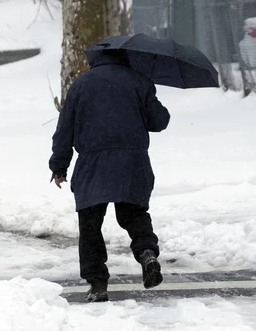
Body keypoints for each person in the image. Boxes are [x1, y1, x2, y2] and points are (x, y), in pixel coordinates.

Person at [49, 49, 171, 302]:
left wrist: (59, 166)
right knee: (134, 214)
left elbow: (64, 130)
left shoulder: (80, 85)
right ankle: (148, 253)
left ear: (94, 60)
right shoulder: (139, 81)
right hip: (133, 162)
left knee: (91, 224)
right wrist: (145, 93)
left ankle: (98, 284)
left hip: (93, 163)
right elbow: (159, 121)